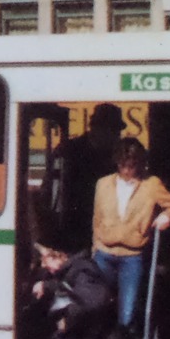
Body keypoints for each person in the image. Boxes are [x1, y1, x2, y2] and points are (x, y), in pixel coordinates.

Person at [92, 138, 170, 333]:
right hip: (103, 254)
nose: (127, 171)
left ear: (140, 164)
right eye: (123, 165)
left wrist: (167, 215)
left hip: (132, 257)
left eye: (132, 166)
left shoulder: (151, 185)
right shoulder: (103, 184)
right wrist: (95, 249)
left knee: (127, 313)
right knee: (98, 309)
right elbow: (97, 218)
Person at [61, 103, 126, 252]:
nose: (117, 135)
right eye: (113, 130)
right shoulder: (72, 150)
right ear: (97, 128)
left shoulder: (119, 152)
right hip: (77, 225)